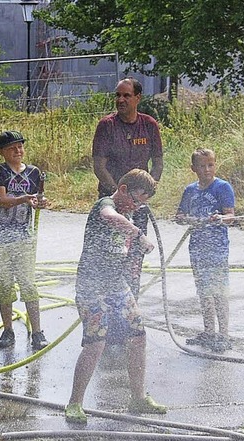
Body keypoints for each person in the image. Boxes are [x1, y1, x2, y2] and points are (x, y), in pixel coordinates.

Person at [65, 169, 167, 424]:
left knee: (138, 335)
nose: (139, 205)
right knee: (95, 342)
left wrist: (131, 260)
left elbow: (121, 248)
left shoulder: (128, 212)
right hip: (91, 286)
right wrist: (139, 235)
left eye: (143, 202)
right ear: (123, 189)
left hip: (116, 284)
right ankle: (74, 403)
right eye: (137, 199)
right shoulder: (107, 204)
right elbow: (109, 217)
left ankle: (138, 397)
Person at [92, 77, 163, 299]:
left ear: (138, 98)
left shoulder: (149, 124)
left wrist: (147, 192)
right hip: (112, 202)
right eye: (118, 95)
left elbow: (158, 162)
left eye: (126, 95)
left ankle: (132, 301)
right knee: (109, 253)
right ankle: (105, 301)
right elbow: (99, 166)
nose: (120, 100)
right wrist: (119, 195)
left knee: (135, 253)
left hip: (138, 204)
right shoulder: (107, 126)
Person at [0, 130, 49, 351]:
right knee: (4, 284)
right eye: (12, 148)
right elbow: (2, 200)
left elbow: (38, 198)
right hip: (1, 236)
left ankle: (37, 331)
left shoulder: (34, 172)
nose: (18, 150)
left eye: (20, 146)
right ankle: (8, 330)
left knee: (29, 284)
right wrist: (25, 198)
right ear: (2, 152)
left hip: (24, 236)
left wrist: (40, 202)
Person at [175, 148, 235, 352]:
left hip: (217, 250)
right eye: (202, 165)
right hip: (197, 249)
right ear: (193, 168)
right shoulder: (189, 190)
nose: (207, 169)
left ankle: (224, 334)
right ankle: (209, 331)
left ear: (215, 165)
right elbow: (179, 215)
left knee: (219, 292)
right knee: (204, 292)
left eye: (210, 165)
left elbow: (231, 216)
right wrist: (187, 219)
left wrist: (221, 218)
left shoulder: (222, 187)